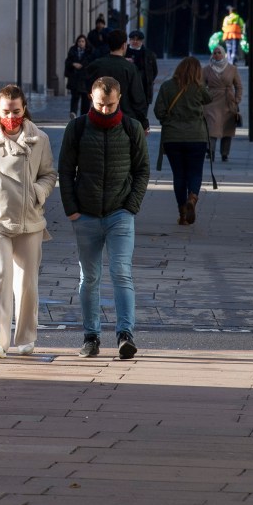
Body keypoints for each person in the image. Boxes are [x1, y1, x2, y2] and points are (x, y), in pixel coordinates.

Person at [58, 76, 150, 360]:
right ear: (91, 98)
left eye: (110, 104)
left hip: (120, 213)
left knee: (121, 273)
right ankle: (91, 336)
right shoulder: (77, 128)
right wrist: (71, 208)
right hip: (85, 214)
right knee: (90, 277)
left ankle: (125, 334)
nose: (106, 109)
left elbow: (142, 170)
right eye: (100, 104)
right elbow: (65, 170)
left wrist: (131, 206)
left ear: (119, 99)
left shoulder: (131, 128)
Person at [0, 85, 58, 359]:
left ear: (24, 108)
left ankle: (26, 337)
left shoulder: (39, 139)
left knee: (27, 282)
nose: (11, 116)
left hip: (29, 220)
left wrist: (38, 193)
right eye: (6, 111)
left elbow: (49, 174)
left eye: (16, 111)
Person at [154, 57, 212, 226]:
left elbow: (159, 111)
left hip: (173, 137)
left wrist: (168, 121)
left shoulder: (166, 86)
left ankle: (182, 213)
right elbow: (209, 98)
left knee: (179, 175)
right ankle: (192, 199)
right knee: (195, 172)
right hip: (196, 136)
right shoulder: (198, 88)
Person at [85, 30, 150, 132]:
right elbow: (138, 98)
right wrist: (144, 122)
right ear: (124, 45)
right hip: (125, 120)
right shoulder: (130, 68)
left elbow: (87, 89)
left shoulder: (96, 65)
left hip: (99, 118)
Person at [203, 45, 243, 162]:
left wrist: (237, 99)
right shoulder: (206, 69)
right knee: (212, 127)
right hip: (212, 101)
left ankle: (225, 153)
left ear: (224, 54)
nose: (216, 54)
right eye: (215, 52)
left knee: (227, 128)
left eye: (219, 52)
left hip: (228, 101)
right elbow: (201, 85)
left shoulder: (232, 69)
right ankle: (211, 151)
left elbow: (238, 86)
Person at [125, 30, 159, 108]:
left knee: (142, 111)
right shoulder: (124, 51)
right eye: (133, 39)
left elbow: (154, 71)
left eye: (138, 40)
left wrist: (148, 80)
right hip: (127, 87)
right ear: (129, 40)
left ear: (141, 41)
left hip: (143, 88)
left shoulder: (149, 54)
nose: (135, 41)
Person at [64, 35, 91, 119]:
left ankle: (84, 116)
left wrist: (82, 65)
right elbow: (68, 61)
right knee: (74, 97)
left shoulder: (89, 51)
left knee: (85, 99)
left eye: (83, 41)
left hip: (85, 79)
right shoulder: (73, 50)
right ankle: (73, 113)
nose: (81, 43)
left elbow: (92, 62)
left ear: (85, 42)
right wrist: (73, 64)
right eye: (79, 41)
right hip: (75, 78)